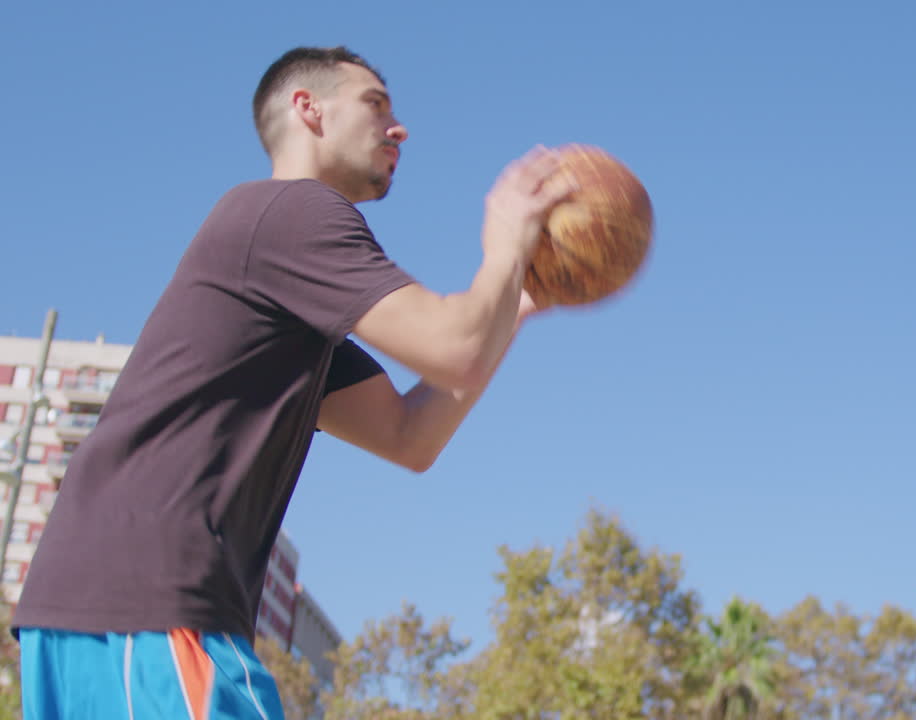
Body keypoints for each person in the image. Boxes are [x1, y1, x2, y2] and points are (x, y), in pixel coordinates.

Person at [13, 46, 576, 719]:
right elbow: (452, 348)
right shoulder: (294, 212)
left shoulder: (282, 272)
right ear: (307, 109)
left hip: (113, 611)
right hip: (149, 607)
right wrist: (507, 243)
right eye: (375, 104)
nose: (399, 128)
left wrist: (511, 308)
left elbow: (409, 436)